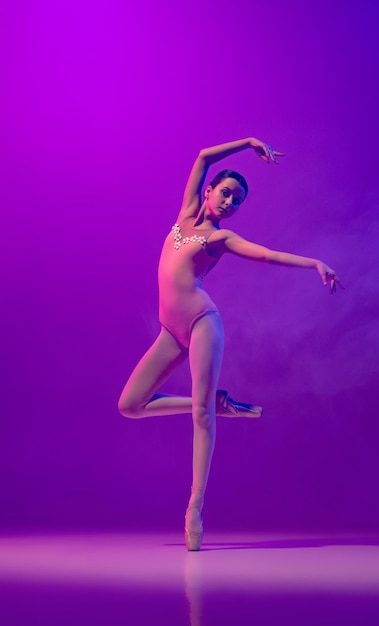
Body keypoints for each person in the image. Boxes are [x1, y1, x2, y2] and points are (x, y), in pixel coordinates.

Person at [118, 137, 343, 551]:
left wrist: (314, 262)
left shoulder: (221, 239)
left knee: (202, 419)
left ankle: (194, 509)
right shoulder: (184, 215)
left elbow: (268, 255)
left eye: (237, 200)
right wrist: (250, 143)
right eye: (225, 193)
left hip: (203, 322)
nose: (229, 202)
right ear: (208, 191)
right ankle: (212, 401)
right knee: (131, 405)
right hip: (171, 330)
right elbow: (202, 155)